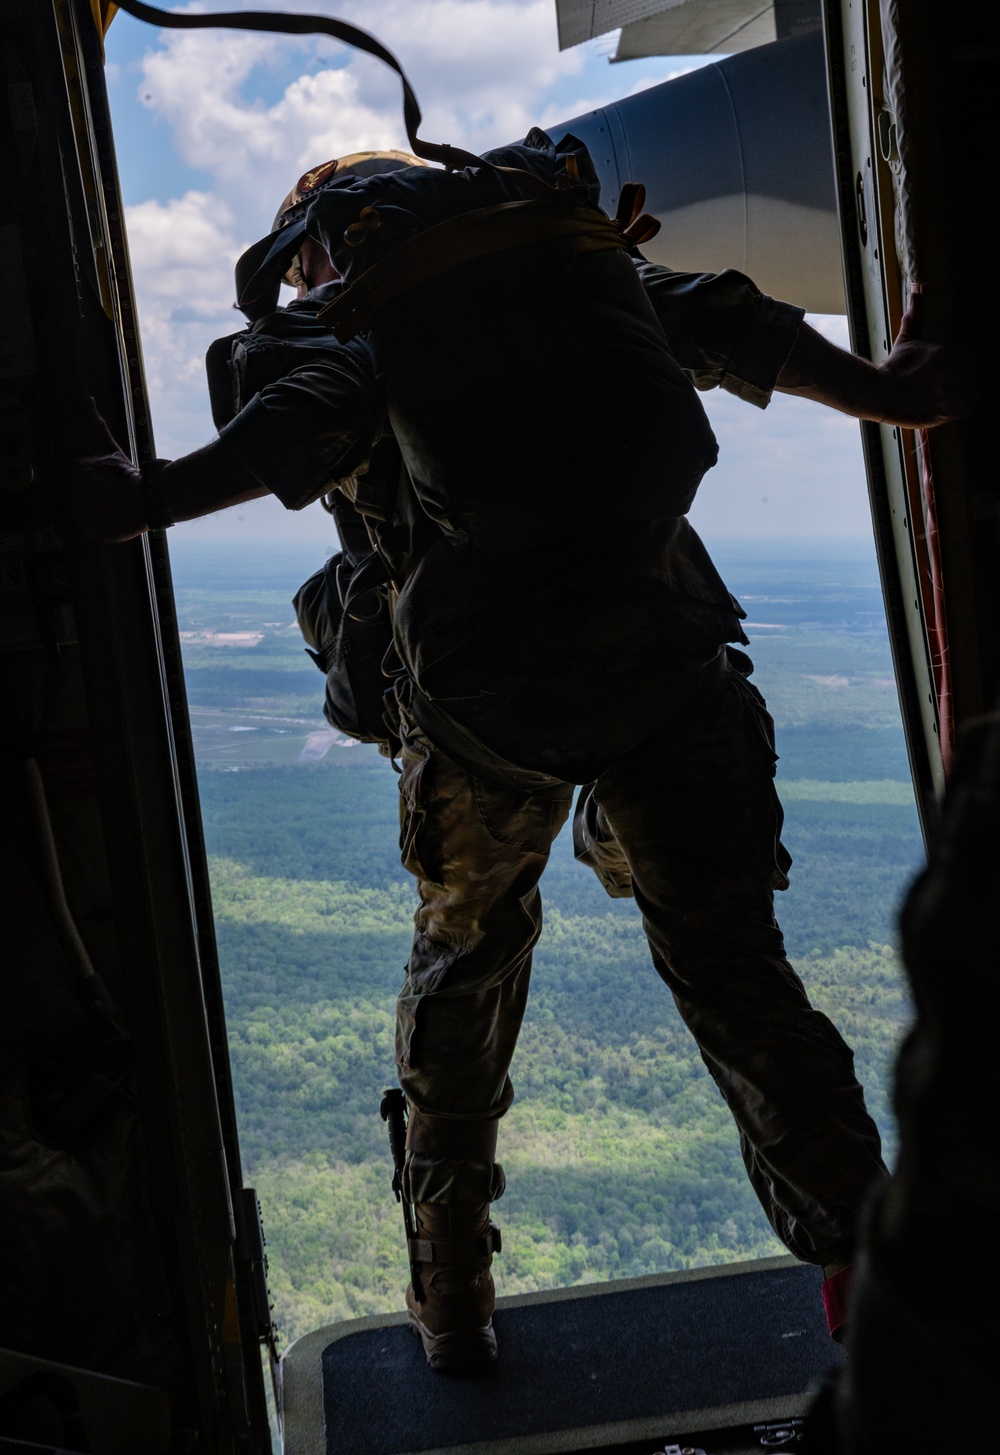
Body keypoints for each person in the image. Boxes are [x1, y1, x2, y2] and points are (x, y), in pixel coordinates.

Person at [73, 134, 966, 1371]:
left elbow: (303, 423)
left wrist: (141, 499)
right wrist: (899, 388)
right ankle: (875, 1295)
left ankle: (451, 1306)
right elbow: (728, 323)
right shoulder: (573, 268)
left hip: (484, 713)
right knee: (735, 975)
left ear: (320, 241)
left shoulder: (356, 319)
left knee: (464, 965)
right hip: (668, 662)